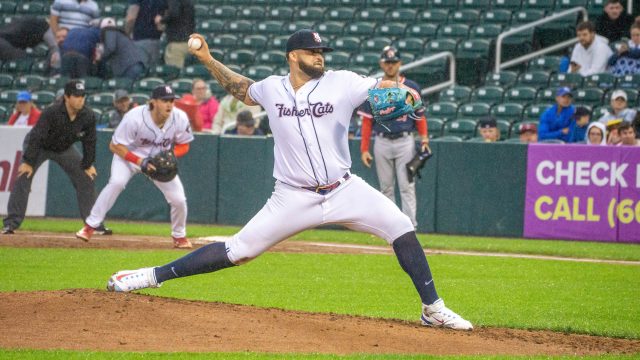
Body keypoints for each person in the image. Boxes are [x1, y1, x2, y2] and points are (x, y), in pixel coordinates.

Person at [104, 30, 473, 331]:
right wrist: (207, 59)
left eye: (321, 51)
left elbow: (380, 88)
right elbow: (241, 89)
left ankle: (433, 309)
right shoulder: (272, 88)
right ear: (293, 55)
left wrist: (404, 91)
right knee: (238, 251)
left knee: (401, 226)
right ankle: (149, 276)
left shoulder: (343, 82)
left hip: (344, 188)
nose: (320, 56)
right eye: (312, 51)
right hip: (292, 196)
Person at [76, 85, 194, 249]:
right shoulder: (134, 117)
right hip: (129, 157)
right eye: (165, 100)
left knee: (179, 199)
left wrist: (170, 156)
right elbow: (114, 146)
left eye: (172, 100)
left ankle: (179, 236)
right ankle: (90, 227)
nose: (169, 104)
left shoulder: (179, 117)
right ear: (153, 102)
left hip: (157, 161)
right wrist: (139, 161)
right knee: (117, 182)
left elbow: (184, 144)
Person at [2, 80, 111, 235]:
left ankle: (93, 224)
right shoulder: (51, 112)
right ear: (66, 97)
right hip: (40, 147)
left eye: (83, 96)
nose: (81, 99)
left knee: (87, 179)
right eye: (76, 96)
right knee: (23, 176)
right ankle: (10, 224)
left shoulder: (88, 116)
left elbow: (90, 142)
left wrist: (88, 164)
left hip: (64, 149)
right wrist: (28, 161)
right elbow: (36, 137)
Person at [358, 46, 428, 228]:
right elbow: (366, 122)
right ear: (382, 63)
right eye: (387, 62)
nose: (390, 66)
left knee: (406, 186)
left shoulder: (411, 87)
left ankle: (409, 227)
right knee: (386, 188)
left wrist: (425, 138)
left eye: (393, 62)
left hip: (405, 140)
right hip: (381, 140)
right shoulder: (373, 87)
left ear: (400, 63)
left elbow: (419, 115)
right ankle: (391, 227)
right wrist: (364, 148)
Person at [124, 0, 167, 68]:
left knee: (140, 72)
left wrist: (126, 35)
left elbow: (131, 18)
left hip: (140, 40)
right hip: (157, 40)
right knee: (153, 73)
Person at [156, 0, 195, 68]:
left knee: (174, 73)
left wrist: (161, 20)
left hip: (177, 43)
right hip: (189, 42)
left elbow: (174, 13)